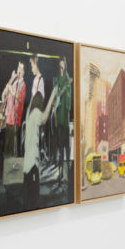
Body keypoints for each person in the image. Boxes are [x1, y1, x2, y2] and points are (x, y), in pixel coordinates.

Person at [22, 87, 62, 209]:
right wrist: (52, 95)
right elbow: (44, 119)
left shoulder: (29, 115)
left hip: (26, 165)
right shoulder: (36, 113)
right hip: (32, 165)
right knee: (34, 199)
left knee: (28, 198)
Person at [51, 57, 73, 186]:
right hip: (59, 118)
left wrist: (62, 93)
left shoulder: (67, 79)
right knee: (59, 146)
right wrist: (55, 104)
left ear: (65, 65)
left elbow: (67, 96)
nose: (61, 67)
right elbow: (55, 95)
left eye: (63, 65)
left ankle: (66, 175)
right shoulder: (57, 79)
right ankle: (60, 175)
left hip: (64, 118)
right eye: (60, 65)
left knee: (66, 146)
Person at [0, 60, 26, 158]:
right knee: (6, 144)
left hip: (15, 119)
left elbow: (18, 96)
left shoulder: (23, 85)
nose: (19, 71)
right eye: (18, 68)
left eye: (21, 69)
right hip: (8, 116)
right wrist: (5, 92)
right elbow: (6, 90)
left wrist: (10, 90)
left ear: (24, 72)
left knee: (11, 146)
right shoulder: (14, 78)